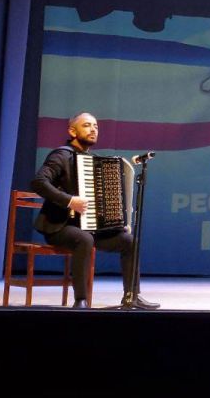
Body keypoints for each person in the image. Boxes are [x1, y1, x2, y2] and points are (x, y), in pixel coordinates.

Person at [31, 112, 159, 309]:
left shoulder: (93, 161)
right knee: (84, 239)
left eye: (96, 126)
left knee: (129, 241)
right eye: (87, 125)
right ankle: (80, 300)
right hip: (60, 226)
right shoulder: (61, 155)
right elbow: (39, 182)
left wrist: (117, 224)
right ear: (72, 131)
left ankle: (132, 295)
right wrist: (69, 201)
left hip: (91, 228)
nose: (93, 129)